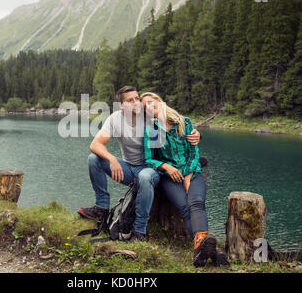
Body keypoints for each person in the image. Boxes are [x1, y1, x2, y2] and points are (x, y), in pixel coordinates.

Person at [78, 86, 201, 242]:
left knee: (144, 175)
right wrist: (112, 159)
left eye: (137, 98)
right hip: (128, 169)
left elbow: (178, 127)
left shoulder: (150, 116)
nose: (136, 102)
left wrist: (197, 134)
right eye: (130, 100)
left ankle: (139, 230)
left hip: (152, 170)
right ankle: (101, 207)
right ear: (121, 106)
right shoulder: (115, 119)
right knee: (93, 159)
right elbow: (95, 144)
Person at [140, 92, 229, 267]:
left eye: (150, 103)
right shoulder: (151, 129)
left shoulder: (184, 122)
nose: (148, 108)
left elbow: (193, 152)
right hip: (170, 178)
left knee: (196, 203)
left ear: (160, 101)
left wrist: (188, 175)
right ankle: (214, 252)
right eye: (144, 107)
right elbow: (149, 159)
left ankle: (201, 250)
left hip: (193, 173)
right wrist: (166, 167)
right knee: (185, 207)